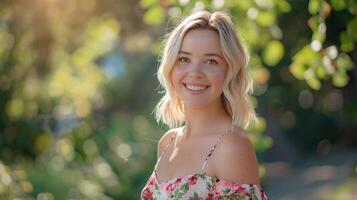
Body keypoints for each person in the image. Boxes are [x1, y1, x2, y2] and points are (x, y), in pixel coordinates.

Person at [141, 10, 269, 200]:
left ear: (229, 71)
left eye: (211, 61)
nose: (195, 72)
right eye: (184, 59)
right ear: (171, 67)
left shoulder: (232, 148)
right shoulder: (168, 142)